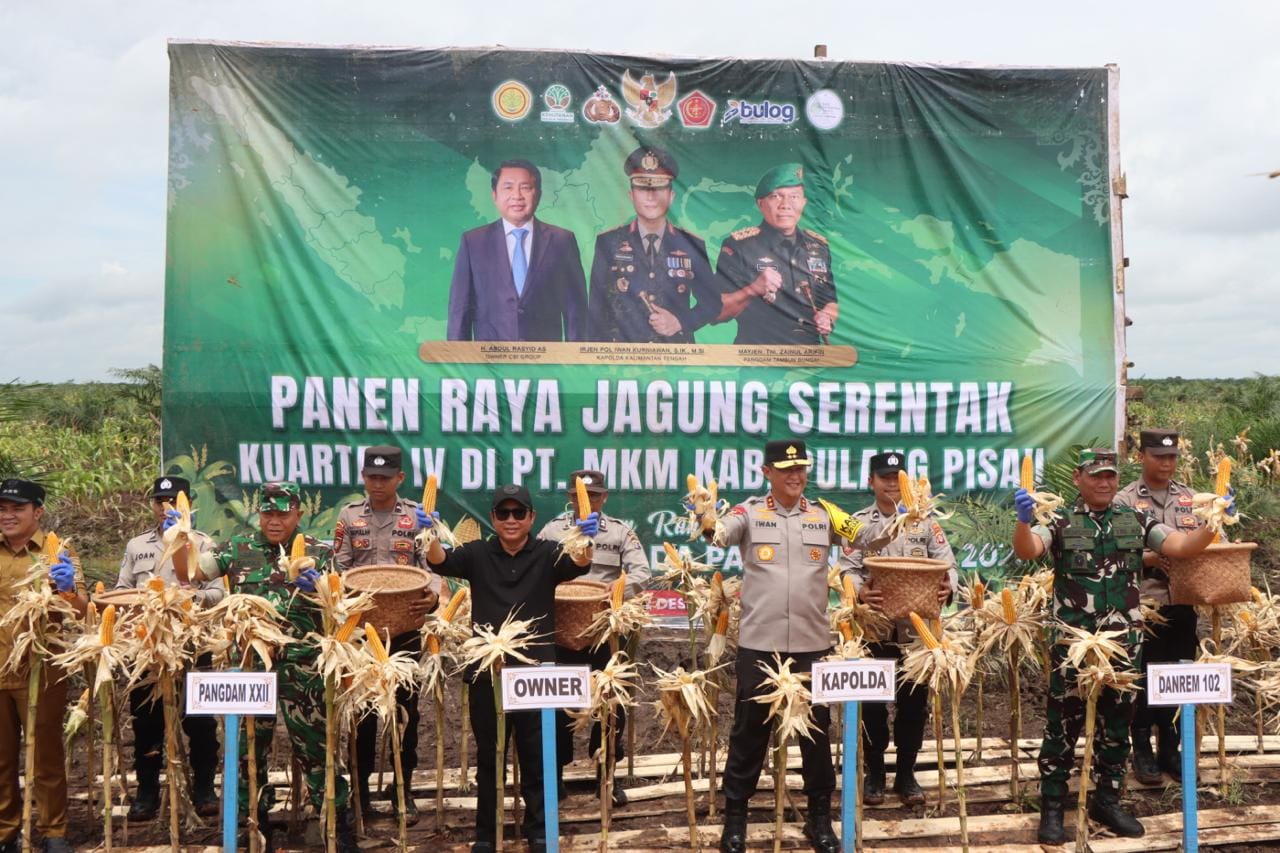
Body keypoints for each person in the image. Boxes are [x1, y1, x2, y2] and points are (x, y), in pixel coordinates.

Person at [1013, 448, 1221, 845]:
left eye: (1110, 476)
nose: (1105, 482)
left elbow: (1180, 546)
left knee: (1117, 728)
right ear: (1079, 479)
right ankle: (1053, 806)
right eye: (1096, 476)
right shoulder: (1058, 520)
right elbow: (1029, 550)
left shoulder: (1137, 518)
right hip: (1073, 645)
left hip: (1124, 644)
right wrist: (1023, 522)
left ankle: (1107, 800)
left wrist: (1214, 522)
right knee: (1062, 729)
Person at [712, 440, 889, 853]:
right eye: (786, 469)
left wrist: (901, 517)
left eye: (801, 469)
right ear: (766, 472)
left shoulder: (825, 514)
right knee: (749, 733)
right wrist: (705, 515)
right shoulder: (750, 512)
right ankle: (735, 819)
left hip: (813, 645)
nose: (795, 476)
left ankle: (819, 819)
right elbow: (719, 535)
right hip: (760, 645)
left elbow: (868, 538)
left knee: (815, 735)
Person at [423, 483, 598, 853]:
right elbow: (439, 561)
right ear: (493, 519)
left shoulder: (549, 554)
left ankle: (539, 830)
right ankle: (487, 833)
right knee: (491, 755)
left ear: (532, 518)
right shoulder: (476, 554)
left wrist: (585, 537)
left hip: (537, 674)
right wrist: (429, 533)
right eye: (503, 513)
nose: (511, 520)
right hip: (489, 671)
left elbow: (579, 563)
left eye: (519, 513)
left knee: (537, 754)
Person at [196, 482, 358, 853]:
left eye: (283, 514)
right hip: (251, 669)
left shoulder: (320, 553)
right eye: (268, 513)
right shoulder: (237, 549)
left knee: (318, 749)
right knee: (248, 749)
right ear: (259, 514)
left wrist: (321, 588)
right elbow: (192, 572)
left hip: (304, 670)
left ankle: (337, 826)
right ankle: (252, 824)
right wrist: (180, 534)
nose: (274, 521)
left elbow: (344, 603)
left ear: (298, 515)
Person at [836, 452, 955, 806]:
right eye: (884, 477)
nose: (891, 484)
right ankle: (875, 772)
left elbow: (948, 564)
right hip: (875, 629)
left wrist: (949, 587)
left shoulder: (926, 523)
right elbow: (847, 568)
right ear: (871, 482)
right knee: (872, 706)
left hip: (917, 633)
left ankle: (906, 772)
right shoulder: (860, 524)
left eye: (896, 477)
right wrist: (858, 590)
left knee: (913, 705)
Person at [332, 446, 440, 822]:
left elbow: (433, 566)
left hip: (406, 631)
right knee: (360, 717)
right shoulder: (348, 517)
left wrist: (432, 599)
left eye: (384, 477)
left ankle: (402, 791)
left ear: (399, 479)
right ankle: (360, 795)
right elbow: (339, 567)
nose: (376, 484)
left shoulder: (416, 517)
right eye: (370, 477)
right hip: (360, 634)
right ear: (363, 477)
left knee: (404, 715)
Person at [537, 469, 650, 804]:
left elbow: (642, 572)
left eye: (596, 495)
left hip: (604, 631)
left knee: (610, 706)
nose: (589, 501)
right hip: (562, 631)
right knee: (558, 705)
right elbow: (536, 569)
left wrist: (608, 593)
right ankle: (555, 778)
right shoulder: (552, 531)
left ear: (605, 497)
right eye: (580, 496)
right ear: (571, 498)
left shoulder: (619, 532)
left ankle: (607, 776)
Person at [117, 476, 224, 820]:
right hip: (148, 648)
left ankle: (205, 789)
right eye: (159, 500)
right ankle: (147, 792)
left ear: (188, 505)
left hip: (193, 646)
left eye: (173, 501)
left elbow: (219, 595)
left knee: (201, 723)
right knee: (147, 723)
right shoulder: (137, 547)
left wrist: (190, 597)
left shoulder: (204, 544)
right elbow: (122, 592)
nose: (166, 507)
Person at [0, 478, 87, 853]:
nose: (7, 515)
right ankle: (6, 830)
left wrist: (65, 588)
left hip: (42, 669)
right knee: (1, 758)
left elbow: (83, 610)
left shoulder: (59, 553)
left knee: (46, 755)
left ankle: (53, 832)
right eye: (2, 508)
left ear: (38, 511)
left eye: (17, 508)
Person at [1113, 429, 1203, 783]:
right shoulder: (1124, 500)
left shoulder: (1192, 498)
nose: (1167, 463)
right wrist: (1151, 558)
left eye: (1172, 457)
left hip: (1182, 603)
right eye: (1159, 456)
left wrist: (1218, 520)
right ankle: (1142, 749)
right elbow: (1111, 558)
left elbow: (1211, 543)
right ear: (1142, 457)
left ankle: (1170, 747)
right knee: (1145, 677)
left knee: (1178, 675)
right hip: (1143, 606)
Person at [587, 146, 721, 343]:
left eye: (658, 188)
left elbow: (712, 304)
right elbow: (596, 306)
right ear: (631, 195)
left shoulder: (692, 244)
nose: (650, 196)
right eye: (642, 188)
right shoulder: (608, 242)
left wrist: (680, 322)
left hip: (676, 356)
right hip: (622, 357)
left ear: (671, 196)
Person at [447, 159, 588, 342]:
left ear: (537, 194)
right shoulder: (473, 242)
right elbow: (460, 308)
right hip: (489, 362)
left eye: (525, 187)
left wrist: (576, 361)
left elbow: (575, 308)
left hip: (546, 360)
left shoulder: (562, 240)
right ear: (494, 195)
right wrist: (458, 361)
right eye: (508, 187)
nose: (517, 196)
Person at [713, 163, 838, 345]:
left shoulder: (818, 247)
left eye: (794, 197)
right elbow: (717, 313)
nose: (785, 205)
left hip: (810, 359)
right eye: (775, 196)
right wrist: (753, 289)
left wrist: (827, 317)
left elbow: (830, 301)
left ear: (803, 203)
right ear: (760, 204)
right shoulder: (739, 246)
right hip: (758, 357)